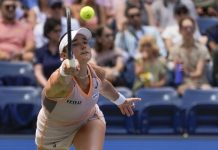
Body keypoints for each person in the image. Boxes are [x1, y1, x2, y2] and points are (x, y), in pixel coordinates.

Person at [35, 27, 141, 150]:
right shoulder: (57, 81)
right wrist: (65, 71)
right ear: (64, 55)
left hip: (87, 119)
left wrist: (121, 101)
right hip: (55, 132)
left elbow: (104, 86)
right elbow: (59, 83)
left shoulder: (98, 72)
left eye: (85, 42)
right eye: (75, 44)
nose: (83, 46)